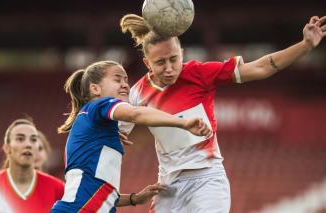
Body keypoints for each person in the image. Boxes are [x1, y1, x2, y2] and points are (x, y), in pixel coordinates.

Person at [120, 14, 326, 212]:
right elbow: (119, 130)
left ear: (182, 53)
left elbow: (261, 68)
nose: (169, 68)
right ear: (148, 64)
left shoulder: (199, 74)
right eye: (160, 62)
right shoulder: (137, 93)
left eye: (174, 59)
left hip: (207, 181)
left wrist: (305, 45)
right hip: (168, 187)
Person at [50, 61, 212, 212]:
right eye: (117, 79)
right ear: (95, 89)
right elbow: (135, 113)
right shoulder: (99, 105)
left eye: (126, 80)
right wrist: (183, 123)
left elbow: (98, 190)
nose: (125, 85)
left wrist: (135, 198)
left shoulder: (96, 128)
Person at [0, 118, 64, 213]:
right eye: (20, 139)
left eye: (33, 140)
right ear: (7, 148)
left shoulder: (58, 188)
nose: (28, 144)